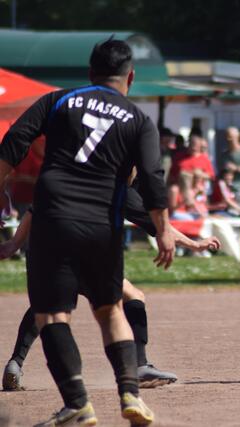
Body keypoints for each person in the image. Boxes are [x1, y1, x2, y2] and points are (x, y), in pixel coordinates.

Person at [0, 38, 174, 426]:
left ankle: (78, 403)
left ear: (90, 73)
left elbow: (15, 141)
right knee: (110, 310)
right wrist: (163, 231)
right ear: (131, 76)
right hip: (102, 225)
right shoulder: (139, 119)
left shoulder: (58, 100)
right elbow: (152, 177)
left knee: (52, 315)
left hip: (54, 219)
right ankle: (131, 394)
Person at [1, 185, 221, 392]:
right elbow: (160, 227)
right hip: (85, 252)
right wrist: (195, 244)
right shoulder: (115, 183)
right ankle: (138, 365)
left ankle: (15, 363)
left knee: (47, 305)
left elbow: (33, 210)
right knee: (132, 297)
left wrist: (13, 243)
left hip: (45, 248)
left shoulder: (64, 173)